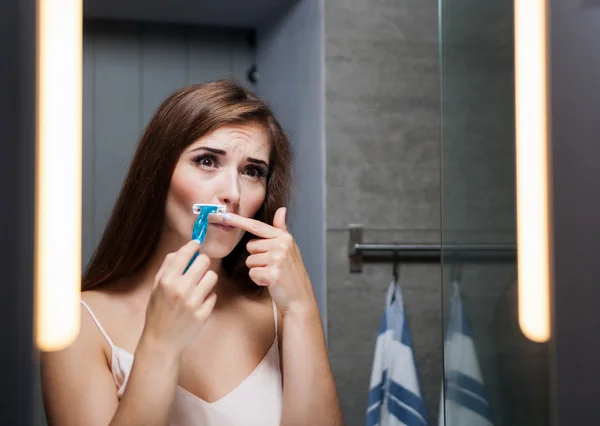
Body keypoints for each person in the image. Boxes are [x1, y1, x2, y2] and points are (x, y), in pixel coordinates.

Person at [40, 79, 344, 426]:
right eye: (207, 161)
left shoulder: (278, 313)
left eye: (252, 171)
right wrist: (160, 345)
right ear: (158, 172)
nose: (232, 193)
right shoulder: (76, 325)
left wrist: (302, 309)